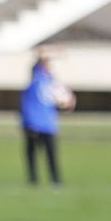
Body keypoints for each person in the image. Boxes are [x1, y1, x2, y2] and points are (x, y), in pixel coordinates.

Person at [20, 46, 75, 187]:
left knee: (51, 154)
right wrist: (56, 52)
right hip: (33, 121)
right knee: (31, 153)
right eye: (47, 63)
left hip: (48, 123)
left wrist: (67, 104)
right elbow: (40, 53)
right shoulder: (36, 76)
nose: (49, 66)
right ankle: (33, 181)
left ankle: (55, 181)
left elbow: (59, 101)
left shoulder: (53, 82)